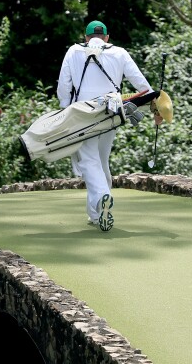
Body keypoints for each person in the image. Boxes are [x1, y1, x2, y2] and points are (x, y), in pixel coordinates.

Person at [56, 20, 160, 231]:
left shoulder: (74, 51)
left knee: (89, 161)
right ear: (107, 38)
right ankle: (95, 214)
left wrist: (65, 109)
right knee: (101, 160)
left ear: (86, 37)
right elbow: (142, 85)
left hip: (83, 113)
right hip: (111, 113)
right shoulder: (120, 53)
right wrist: (156, 108)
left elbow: (64, 85)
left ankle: (103, 197)